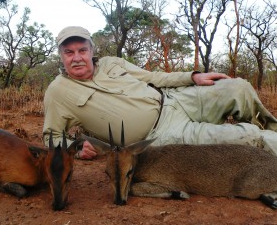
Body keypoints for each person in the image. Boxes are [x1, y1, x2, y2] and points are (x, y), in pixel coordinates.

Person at [43, 26, 277, 159]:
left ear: (91, 49)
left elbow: (154, 78)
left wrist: (192, 77)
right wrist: (75, 147)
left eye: (82, 50)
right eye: (69, 52)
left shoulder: (110, 62)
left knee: (239, 87)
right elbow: (50, 136)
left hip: (176, 101)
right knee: (247, 137)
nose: (77, 58)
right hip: (164, 134)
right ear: (61, 56)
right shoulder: (58, 92)